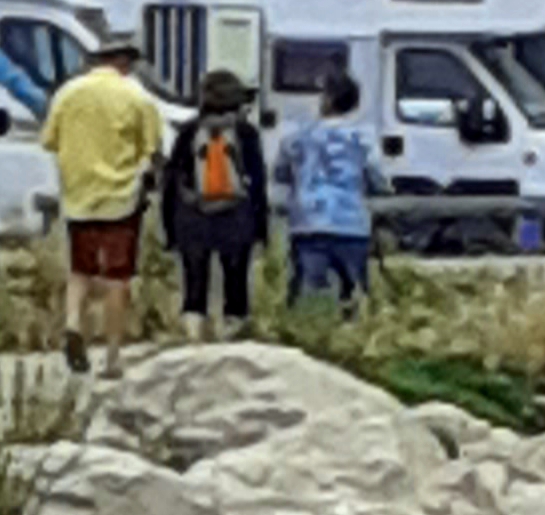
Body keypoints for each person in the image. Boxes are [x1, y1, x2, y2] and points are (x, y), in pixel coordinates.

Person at [39, 27, 164, 376]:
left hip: (77, 197)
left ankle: (72, 324)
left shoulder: (67, 93)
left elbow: (49, 141)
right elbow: (153, 149)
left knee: (80, 270)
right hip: (121, 200)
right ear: (124, 62)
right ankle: (112, 356)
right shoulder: (137, 97)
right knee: (116, 279)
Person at [160, 66, 269, 339]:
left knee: (194, 282)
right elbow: (257, 181)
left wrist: (170, 230)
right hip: (237, 216)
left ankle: (194, 334)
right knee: (236, 282)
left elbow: (171, 181)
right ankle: (232, 333)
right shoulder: (246, 133)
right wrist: (260, 229)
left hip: (192, 217)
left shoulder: (188, 132)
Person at [273, 68, 387, 310]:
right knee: (354, 294)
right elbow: (379, 179)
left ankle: (306, 326)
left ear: (326, 100)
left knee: (306, 294)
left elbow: (280, 173)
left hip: (308, 222)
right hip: (352, 223)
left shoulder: (296, 139)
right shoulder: (364, 139)